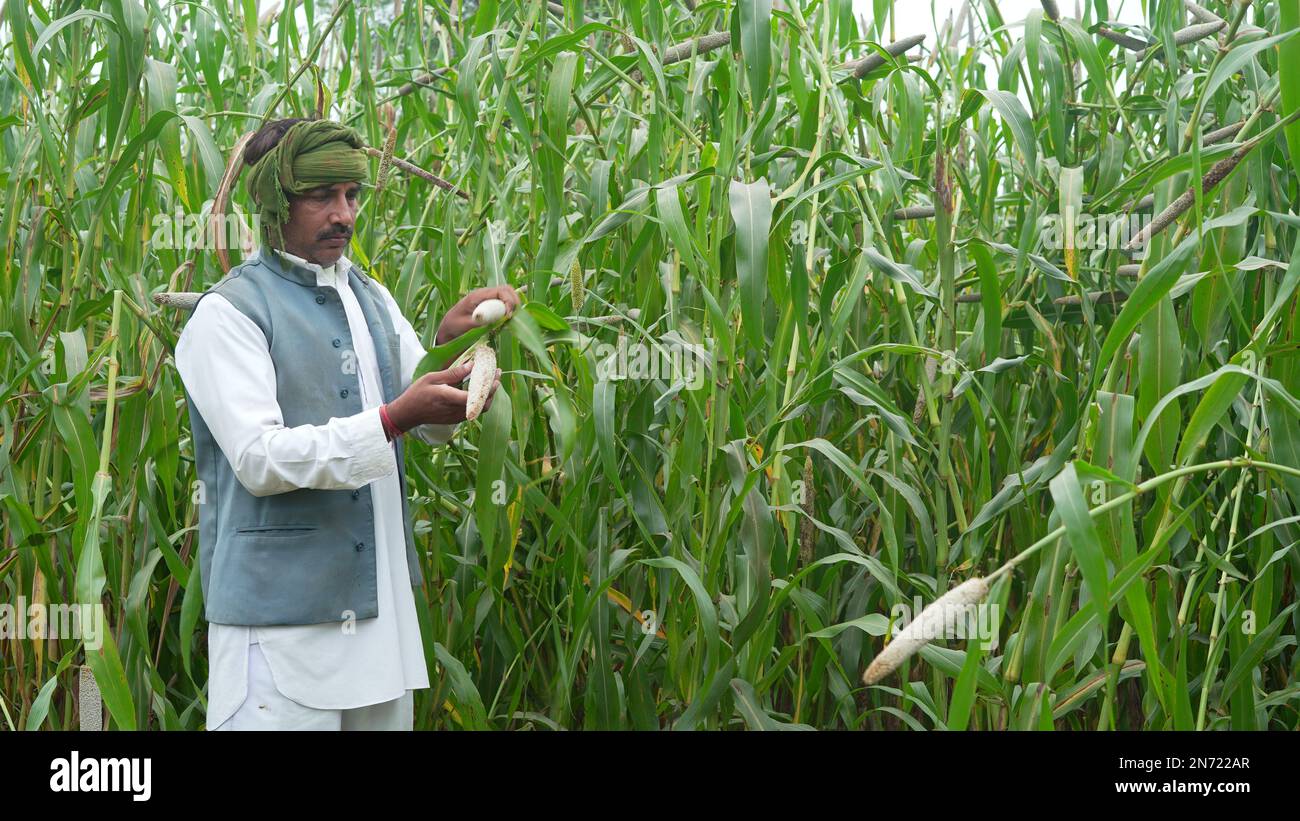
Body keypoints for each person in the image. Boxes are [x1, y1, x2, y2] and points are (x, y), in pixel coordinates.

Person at [175, 117, 517, 730]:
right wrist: (388, 420)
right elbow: (260, 459)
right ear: (276, 201)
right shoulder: (225, 316)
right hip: (280, 639)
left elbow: (429, 419)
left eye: (352, 196)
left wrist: (452, 350)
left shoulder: (372, 298)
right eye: (321, 196)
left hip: (381, 625)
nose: (344, 215)